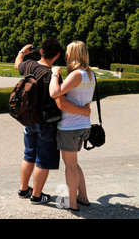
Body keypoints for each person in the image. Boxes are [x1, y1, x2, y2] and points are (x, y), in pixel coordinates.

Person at [15, 39, 91, 205]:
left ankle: (23, 189)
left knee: (29, 154)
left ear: (41, 51)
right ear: (57, 55)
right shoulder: (52, 75)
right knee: (43, 158)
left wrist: (22, 51)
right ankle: (36, 195)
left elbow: (17, 65)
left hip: (28, 119)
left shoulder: (28, 65)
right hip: (45, 121)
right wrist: (84, 111)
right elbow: (60, 101)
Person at [49, 41, 95, 211]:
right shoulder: (91, 75)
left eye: (68, 52)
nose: (66, 55)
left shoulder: (76, 75)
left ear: (74, 54)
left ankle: (73, 203)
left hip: (70, 127)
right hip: (83, 126)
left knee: (70, 165)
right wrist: (84, 111)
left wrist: (54, 74)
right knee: (74, 164)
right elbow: (86, 103)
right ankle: (83, 197)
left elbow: (55, 93)